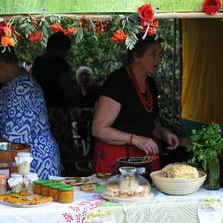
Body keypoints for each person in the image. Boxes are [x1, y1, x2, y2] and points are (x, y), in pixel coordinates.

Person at [92, 34, 179, 176]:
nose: (159, 59)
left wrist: (164, 133)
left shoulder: (150, 83)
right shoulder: (117, 82)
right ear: (136, 55)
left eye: (160, 53)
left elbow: (149, 122)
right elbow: (98, 129)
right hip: (116, 158)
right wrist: (136, 139)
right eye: (153, 54)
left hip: (143, 158)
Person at [0, 49, 60, 179]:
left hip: (33, 160)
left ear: (1, 66)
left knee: (35, 198)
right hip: (26, 158)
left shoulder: (22, 88)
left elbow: (14, 139)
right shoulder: (14, 84)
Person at [32, 32, 75, 159]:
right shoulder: (59, 63)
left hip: (40, 109)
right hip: (58, 110)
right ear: (62, 49)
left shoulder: (38, 62)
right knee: (61, 145)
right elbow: (67, 90)